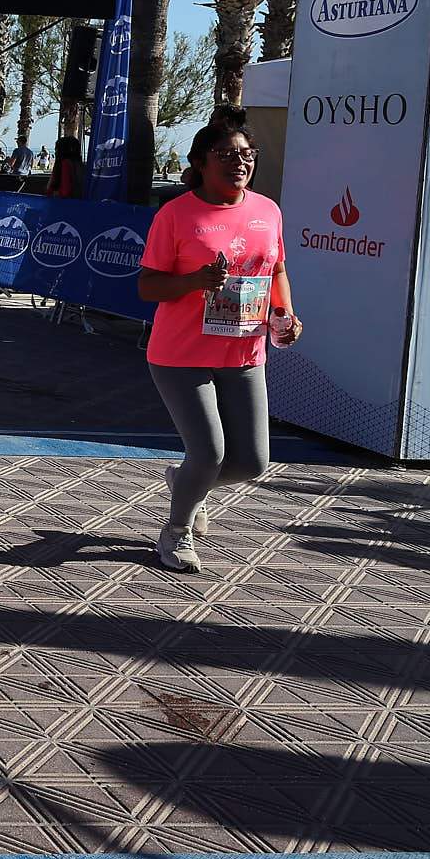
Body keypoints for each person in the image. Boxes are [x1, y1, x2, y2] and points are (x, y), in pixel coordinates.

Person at [137, 119, 301, 574]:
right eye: (227, 155)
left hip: (244, 354)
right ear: (200, 163)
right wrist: (195, 281)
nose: (240, 163)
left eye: (247, 154)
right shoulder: (175, 214)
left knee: (251, 462)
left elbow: (276, 270)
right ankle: (175, 534)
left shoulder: (268, 210)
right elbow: (147, 287)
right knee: (208, 453)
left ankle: (187, 483)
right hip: (181, 356)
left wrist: (283, 316)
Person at [46, 135, 84, 199]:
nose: (55, 152)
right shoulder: (79, 164)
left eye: (56, 149)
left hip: (63, 204)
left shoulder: (65, 164)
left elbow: (64, 191)